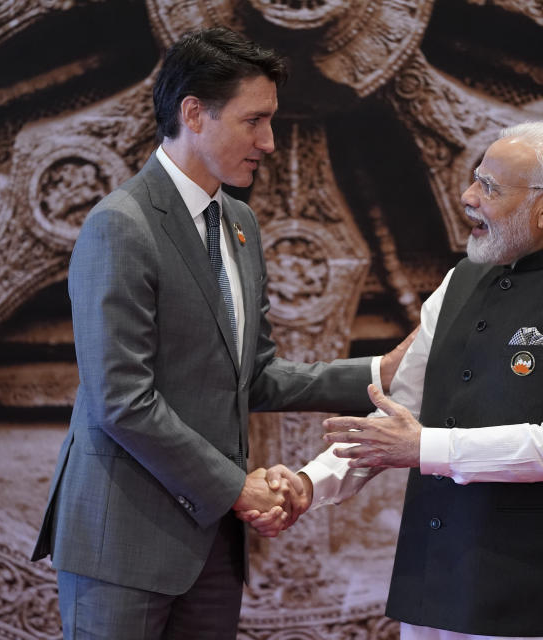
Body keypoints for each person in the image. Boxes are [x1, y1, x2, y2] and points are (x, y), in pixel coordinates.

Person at [31, 27, 404, 639]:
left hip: (211, 548)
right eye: (254, 122)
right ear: (193, 114)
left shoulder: (240, 223)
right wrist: (237, 488)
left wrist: (377, 372)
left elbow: (253, 373)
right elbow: (121, 399)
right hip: (122, 545)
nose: (270, 142)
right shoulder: (119, 225)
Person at [247, 121, 543, 639]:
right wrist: (311, 484)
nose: (468, 198)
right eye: (474, 180)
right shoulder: (458, 281)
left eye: (489, 187)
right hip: (436, 591)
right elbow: (399, 418)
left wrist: (425, 448)